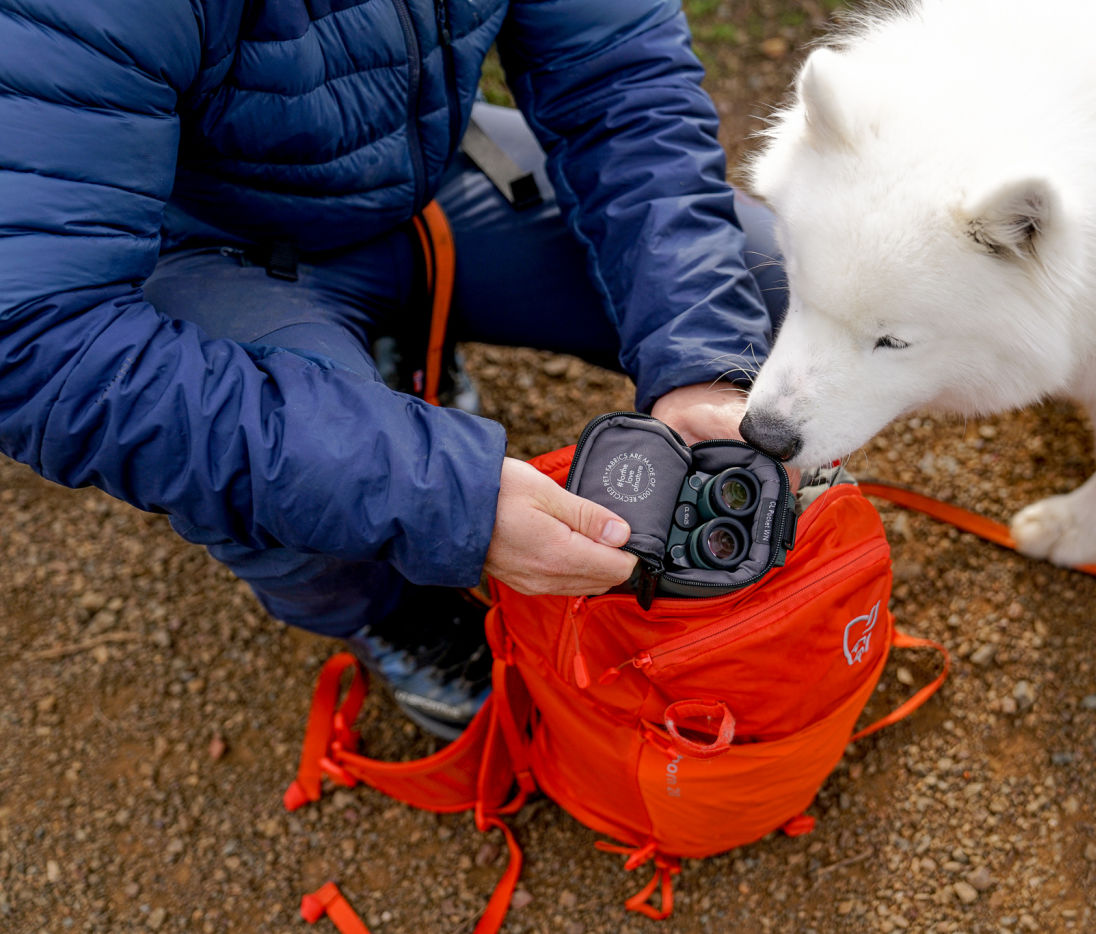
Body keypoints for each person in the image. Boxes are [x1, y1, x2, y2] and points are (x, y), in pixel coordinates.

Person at [0, 0, 786, 740]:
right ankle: (394, 615)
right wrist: (440, 496)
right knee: (311, 473)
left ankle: (392, 375)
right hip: (214, 243)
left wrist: (704, 358)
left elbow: (622, 84)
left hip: (430, 177)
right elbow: (33, 339)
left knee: (775, 285)